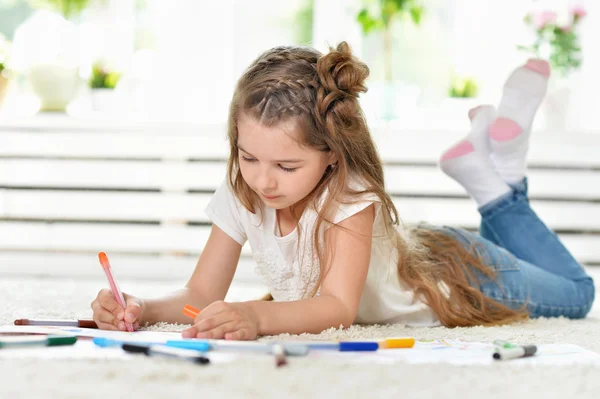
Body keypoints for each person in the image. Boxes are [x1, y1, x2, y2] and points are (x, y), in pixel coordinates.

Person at [91, 42, 595, 340]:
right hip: (421, 248)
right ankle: (499, 166)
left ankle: (496, 188)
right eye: (248, 157)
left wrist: (255, 316)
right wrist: (142, 307)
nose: (263, 180)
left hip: (459, 277)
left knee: (578, 293)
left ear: (331, 153)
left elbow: (337, 307)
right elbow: (201, 294)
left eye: (287, 166)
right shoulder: (243, 189)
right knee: (539, 268)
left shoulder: (349, 195)